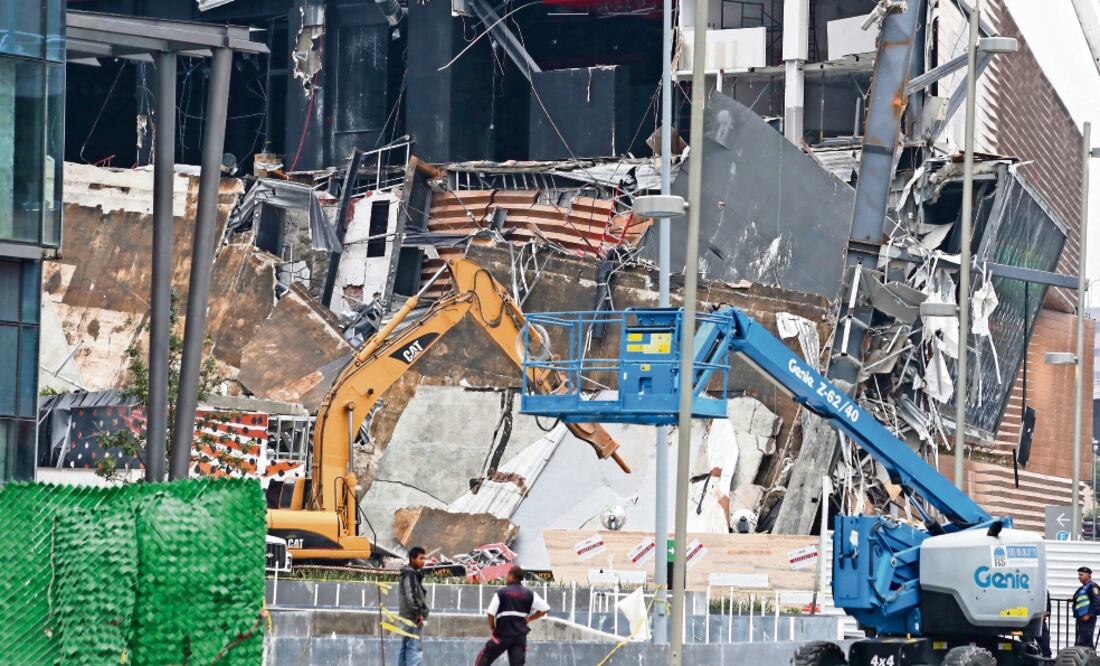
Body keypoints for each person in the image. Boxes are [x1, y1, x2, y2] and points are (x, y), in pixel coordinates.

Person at [474, 565, 550, 666]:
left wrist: (492, 627)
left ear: (511, 576)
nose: (506, 577)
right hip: (519, 637)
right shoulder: (530, 594)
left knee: (484, 658)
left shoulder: (501, 593)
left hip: (502, 635)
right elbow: (545, 608)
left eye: (507, 574)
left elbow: (490, 613)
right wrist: (530, 618)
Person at [398, 546, 430, 666]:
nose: (423, 561)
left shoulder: (410, 573)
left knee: (406, 647)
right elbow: (411, 596)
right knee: (415, 648)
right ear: (412, 559)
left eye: (424, 558)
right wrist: (419, 614)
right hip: (412, 617)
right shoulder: (410, 574)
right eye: (421, 558)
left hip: (407, 616)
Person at [1073, 566, 1100, 647]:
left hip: (1087, 617)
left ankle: (1088, 658)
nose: (1079, 577)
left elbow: (1098, 602)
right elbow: (1082, 598)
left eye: (1081, 575)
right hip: (1081, 617)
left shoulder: (1093, 586)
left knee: (1085, 640)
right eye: (1079, 575)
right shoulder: (1082, 588)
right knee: (1082, 639)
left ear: (1088, 576)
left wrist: (1089, 615)